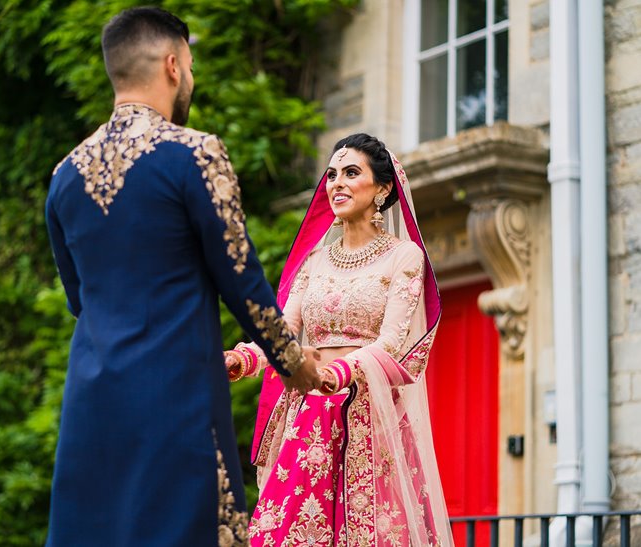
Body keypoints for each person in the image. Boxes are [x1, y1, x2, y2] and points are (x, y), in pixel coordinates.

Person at [44, 7, 322, 546]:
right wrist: (293, 363)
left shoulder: (64, 177)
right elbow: (243, 283)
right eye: (190, 65)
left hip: (91, 408)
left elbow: (80, 299)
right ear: (173, 65)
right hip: (174, 398)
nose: (190, 77)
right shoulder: (196, 154)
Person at [225, 134, 453, 546]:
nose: (337, 183)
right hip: (309, 416)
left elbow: (391, 345)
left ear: (383, 189)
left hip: (370, 417)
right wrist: (242, 360)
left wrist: (336, 374)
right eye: (331, 175)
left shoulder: (403, 257)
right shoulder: (314, 262)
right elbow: (283, 334)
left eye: (351, 173)